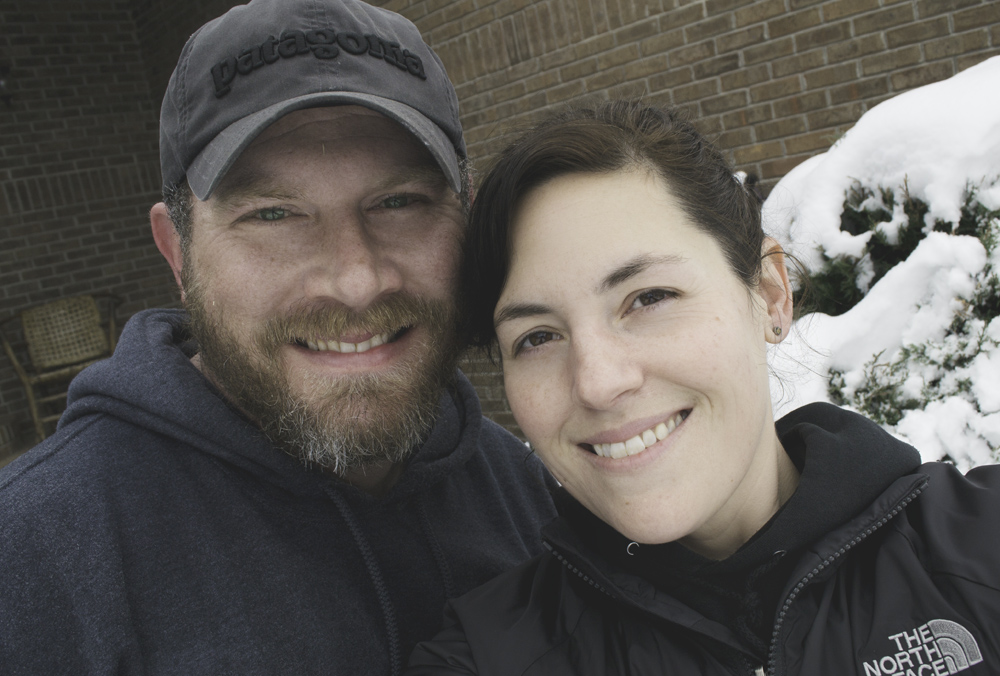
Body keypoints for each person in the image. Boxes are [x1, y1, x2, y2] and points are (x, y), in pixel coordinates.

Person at [0, 0, 556, 673]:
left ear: (464, 215)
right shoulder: (37, 559)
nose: (356, 279)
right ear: (177, 254)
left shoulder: (528, 485)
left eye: (399, 201)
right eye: (273, 213)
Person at [406, 100, 1000, 675]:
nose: (598, 382)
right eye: (537, 337)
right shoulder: (484, 657)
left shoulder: (980, 552)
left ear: (770, 294)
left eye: (650, 298)